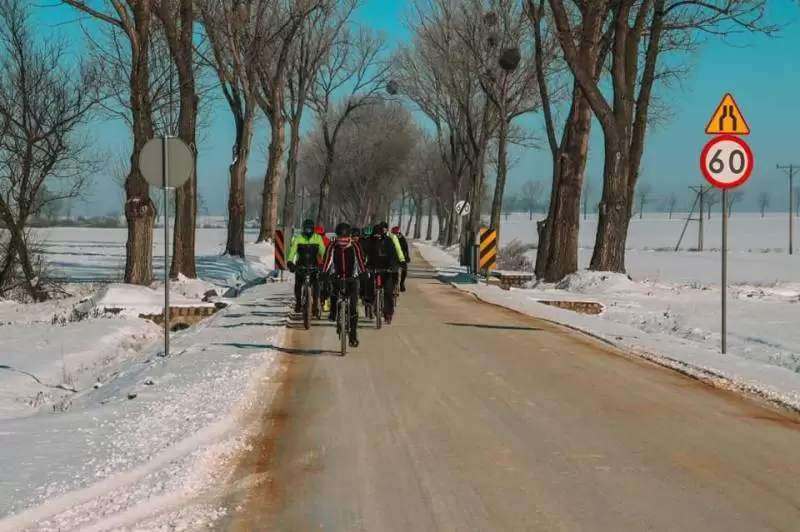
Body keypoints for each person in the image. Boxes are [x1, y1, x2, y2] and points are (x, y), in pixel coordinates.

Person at [321, 222, 367, 347]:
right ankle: (333, 312)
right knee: (333, 292)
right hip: (337, 276)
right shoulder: (332, 246)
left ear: (349, 236)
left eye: (345, 237)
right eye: (340, 237)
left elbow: (360, 261)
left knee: (353, 307)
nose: (342, 240)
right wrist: (324, 273)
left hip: (352, 278)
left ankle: (353, 336)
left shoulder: (355, 246)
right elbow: (327, 260)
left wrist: (363, 273)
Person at [363, 222, 404, 324]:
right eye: (375, 235)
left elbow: (393, 254)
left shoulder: (388, 241)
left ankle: (388, 313)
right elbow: (364, 253)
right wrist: (364, 264)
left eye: (378, 235)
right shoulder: (369, 241)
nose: (377, 237)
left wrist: (394, 265)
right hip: (373, 267)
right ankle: (369, 302)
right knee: (369, 283)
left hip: (386, 269)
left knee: (388, 291)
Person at [286, 219, 327, 314]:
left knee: (316, 285)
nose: (308, 231)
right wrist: (290, 262)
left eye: (310, 229)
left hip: (314, 266)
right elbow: (292, 251)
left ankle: (316, 304)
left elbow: (323, 252)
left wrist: (324, 262)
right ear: (303, 229)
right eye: (306, 229)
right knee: (298, 284)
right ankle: (298, 302)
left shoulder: (318, 238)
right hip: (301, 266)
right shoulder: (298, 238)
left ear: (313, 229)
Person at [314, 224, 331, 312]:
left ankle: (325, 301)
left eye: (320, 235)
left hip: (324, 265)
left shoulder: (326, 241)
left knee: (326, 284)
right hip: (316, 265)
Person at [391, 226, 410, 292]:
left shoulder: (402, 239)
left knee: (404, 268)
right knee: (393, 270)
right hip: (393, 258)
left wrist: (406, 257)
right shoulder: (390, 239)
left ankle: (402, 283)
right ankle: (393, 283)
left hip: (401, 257)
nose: (396, 235)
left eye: (397, 233)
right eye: (394, 234)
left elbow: (405, 249)